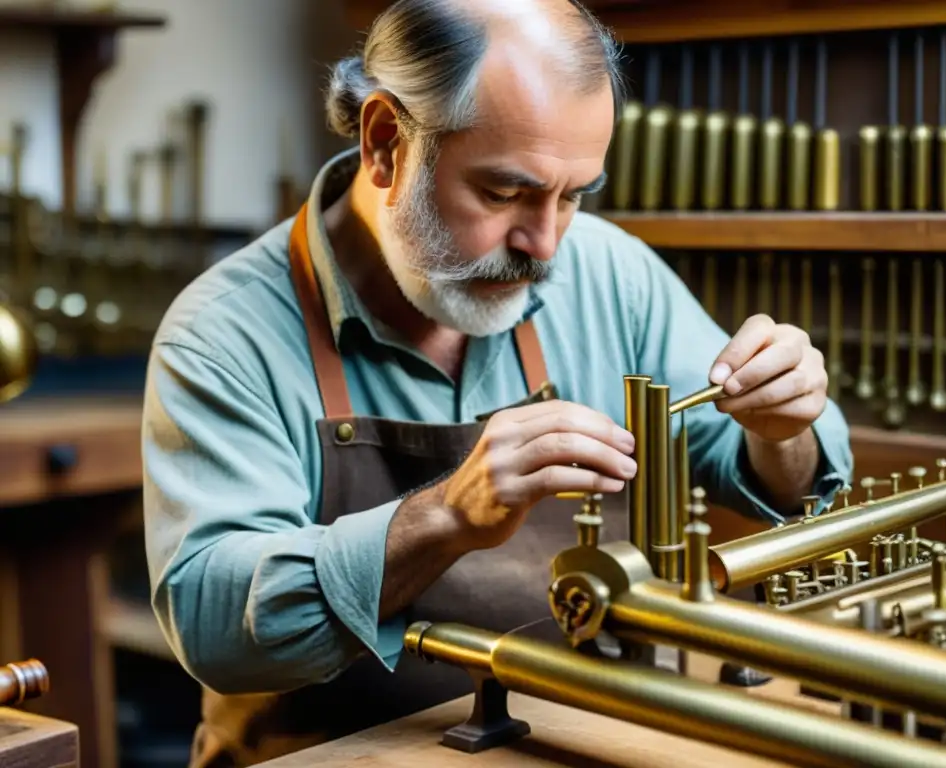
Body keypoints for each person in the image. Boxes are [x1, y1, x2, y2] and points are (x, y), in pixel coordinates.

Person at [141, 0, 854, 765]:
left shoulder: (612, 275)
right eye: (505, 192)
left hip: (580, 746)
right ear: (386, 142)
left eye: (574, 195)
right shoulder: (224, 332)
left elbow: (786, 484)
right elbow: (212, 623)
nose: (544, 244)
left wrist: (782, 430)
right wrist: (444, 516)